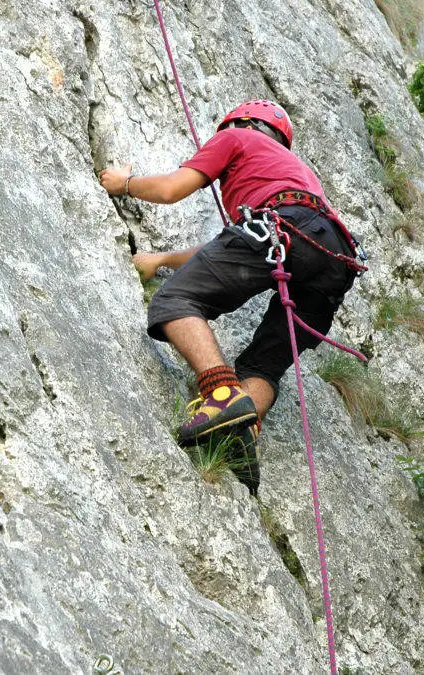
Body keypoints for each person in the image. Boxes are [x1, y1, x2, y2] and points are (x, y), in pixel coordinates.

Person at [98, 99, 360, 494]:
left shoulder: (237, 137)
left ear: (239, 123)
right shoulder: (298, 173)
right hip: (336, 258)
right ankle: (243, 432)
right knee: (264, 366)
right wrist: (163, 258)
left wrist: (125, 184)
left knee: (176, 301)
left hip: (283, 226)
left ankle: (221, 395)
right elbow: (235, 247)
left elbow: (171, 189)